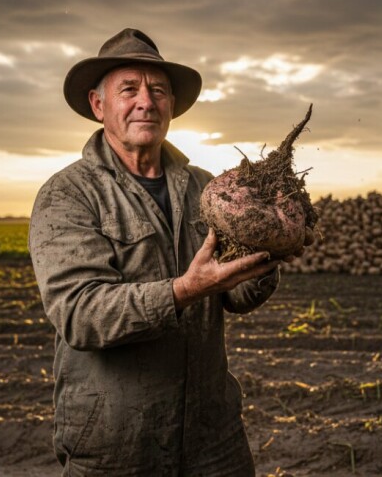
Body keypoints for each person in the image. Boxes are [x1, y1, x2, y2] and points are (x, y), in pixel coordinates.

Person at [28, 28, 304, 476]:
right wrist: (182, 291)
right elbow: (80, 314)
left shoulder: (205, 187)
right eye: (129, 89)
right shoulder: (68, 195)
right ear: (99, 105)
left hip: (213, 439)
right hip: (116, 444)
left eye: (158, 90)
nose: (146, 101)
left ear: (172, 105)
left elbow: (234, 297)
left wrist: (266, 259)